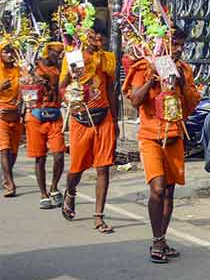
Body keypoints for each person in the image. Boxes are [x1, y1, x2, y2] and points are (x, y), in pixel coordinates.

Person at [123, 28, 201, 264]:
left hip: (175, 136)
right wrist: (151, 80)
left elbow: (191, 106)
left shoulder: (184, 70)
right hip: (150, 137)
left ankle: (162, 238)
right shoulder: (143, 67)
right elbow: (135, 101)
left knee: (169, 191)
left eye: (181, 45)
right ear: (162, 45)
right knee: (157, 189)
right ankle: (157, 241)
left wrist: (183, 82)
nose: (178, 49)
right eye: (174, 44)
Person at [59, 30, 118, 233]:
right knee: (76, 168)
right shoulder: (74, 56)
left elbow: (111, 90)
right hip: (81, 118)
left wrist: (115, 119)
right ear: (85, 38)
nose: (98, 41)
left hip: (104, 117)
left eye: (102, 38)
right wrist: (71, 73)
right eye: (95, 37)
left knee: (103, 167)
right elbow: (61, 85)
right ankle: (71, 191)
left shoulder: (107, 59)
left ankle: (98, 216)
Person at [25, 42, 65, 209]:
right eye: (58, 53)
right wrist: (32, 81)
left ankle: (54, 187)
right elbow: (27, 92)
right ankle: (43, 193)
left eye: (62, 53)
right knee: (40, 157)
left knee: (59, 156)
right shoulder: (35, 68)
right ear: (48, 53)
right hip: (36, 117)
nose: (60, 56)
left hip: (55, 116)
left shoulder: (62, 69)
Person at [0, 41, 22, 197]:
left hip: (15, 114)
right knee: (4, 149)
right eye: (5, 52)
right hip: (0, 114)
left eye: (11, 52)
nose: (9, 55)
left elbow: (27, 88)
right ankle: (10, 183)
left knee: (13, 151)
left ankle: (7, 175)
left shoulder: (19, 70)